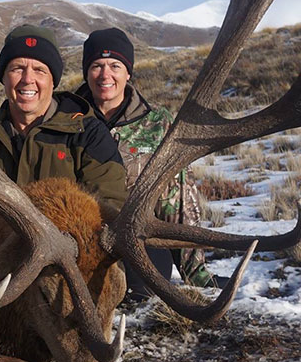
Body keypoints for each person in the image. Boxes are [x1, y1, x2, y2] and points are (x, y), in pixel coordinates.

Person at [0, 24, 127, 218]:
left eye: (39, 70)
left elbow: (108, 213)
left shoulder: (89, 135)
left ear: (53, 80)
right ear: (4, 77)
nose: (28, 79)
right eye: (17, 68)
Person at [75, 27, 215, 290]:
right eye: (96, 66)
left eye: (115, 66)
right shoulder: (66, 119)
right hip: (81, 239)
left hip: (136, 237)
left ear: (128, 72)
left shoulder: (158, 123)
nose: (105, 75)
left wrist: (194, 272)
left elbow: (178, 199)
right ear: (86, 72)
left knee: (145, 290)